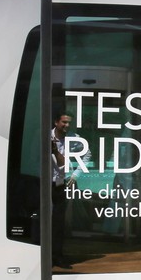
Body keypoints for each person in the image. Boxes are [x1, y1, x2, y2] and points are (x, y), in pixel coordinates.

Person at [50, 112, 90, 269]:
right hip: (45, 183)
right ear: (56, 121)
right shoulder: (45, 136)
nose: (66, 125)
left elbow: (87, 154)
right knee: (44, 221)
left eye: (69, 123)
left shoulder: (75, 138)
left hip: (63, 183)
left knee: (59, 222)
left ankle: (57, 256)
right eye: (64, 122)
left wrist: (76, 174)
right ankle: (43, 256)